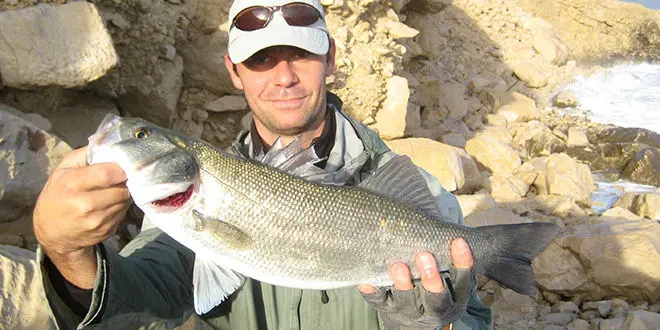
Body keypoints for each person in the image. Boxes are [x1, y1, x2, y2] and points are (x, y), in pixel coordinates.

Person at [33, 0, 493, 328]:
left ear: (330, 59)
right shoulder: (184, 206)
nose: (285, 77)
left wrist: (440, 326)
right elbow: (136, 300)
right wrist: (67, 252)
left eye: (301, 55)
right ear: (234, 72)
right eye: (262, 60)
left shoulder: (420, 193)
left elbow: (472, 316)